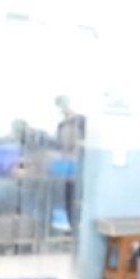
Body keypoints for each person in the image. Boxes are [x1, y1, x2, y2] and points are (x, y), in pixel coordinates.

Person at [54, 95, 85, 227]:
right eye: (60, 106)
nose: (63, 109)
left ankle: (77, 227)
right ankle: (69, 227)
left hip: (79, 166)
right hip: (66, 166)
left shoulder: (81, 121)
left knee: (78, 199)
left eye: (64, 105)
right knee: (67, 198)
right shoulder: (61, 125)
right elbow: (58, 145)